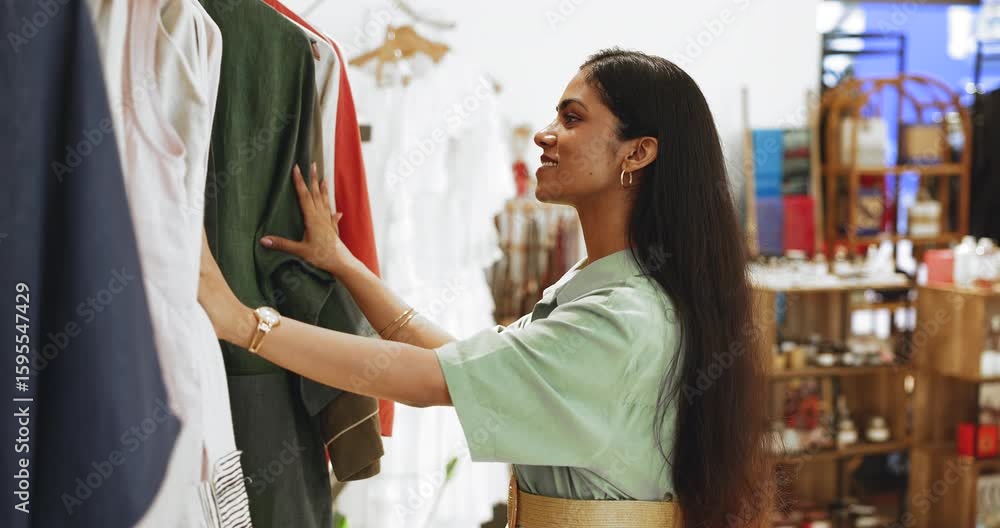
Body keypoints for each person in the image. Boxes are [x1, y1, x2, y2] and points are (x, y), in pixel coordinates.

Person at [198, 48, 771, 527]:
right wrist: (344, 263)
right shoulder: (605, 292)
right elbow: (456, 359)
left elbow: (429, 380)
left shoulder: (623, 319)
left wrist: (243, 323)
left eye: (572, 119)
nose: (545, 134)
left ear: (638, 152)